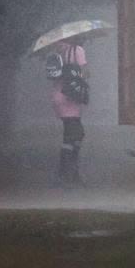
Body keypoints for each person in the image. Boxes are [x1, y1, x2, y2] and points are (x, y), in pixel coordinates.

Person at [49, 38, 88, 186]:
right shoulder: (78, 50)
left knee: (75, 133)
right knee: (73, 135)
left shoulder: (58, 51)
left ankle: (71, 171)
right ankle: (63, 171)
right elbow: (84, 73)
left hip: (58, 95)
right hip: (71, 97)